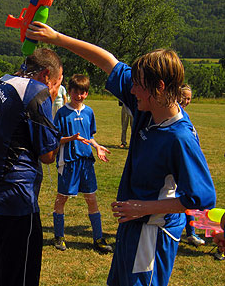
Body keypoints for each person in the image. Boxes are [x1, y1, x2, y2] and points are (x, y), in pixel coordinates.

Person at [26, 22, 216, 286]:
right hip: (132, 225)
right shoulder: (147, 108)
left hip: (153, 232)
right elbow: (108, 62)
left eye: (137, 86)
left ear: (159, 87)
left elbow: (203, 197)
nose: (132, 91)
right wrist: (57, 38)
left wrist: (145, 208)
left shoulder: (179, 137)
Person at [0, 48, 62, 286]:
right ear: (45, 75)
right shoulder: (35, 91)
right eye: (56, 83)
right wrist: (50, 100)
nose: (54, 89)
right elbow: (48, 154)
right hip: (16, 203)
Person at [52, 74, 112, 254]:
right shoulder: (62, 112)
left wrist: (97, 147)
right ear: (69, 92)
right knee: (61, 198)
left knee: (91, 198)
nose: (79, 96)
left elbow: (89, 136)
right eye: (76, 92)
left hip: (86, 162)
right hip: (68, 161)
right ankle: (59, 236)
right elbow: (55, 139)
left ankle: (98, 238)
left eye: (83, 92)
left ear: (86, 93)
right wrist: (71, 139)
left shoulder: (89, 112)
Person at [177, 84, 205, 247]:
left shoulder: (183, 114)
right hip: (180, 163)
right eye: (184, 97)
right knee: (185, 197)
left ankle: (191, 233)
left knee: (189, 197)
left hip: (188, 162)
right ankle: (190, 233)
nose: (186, 101)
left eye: (189, 99)